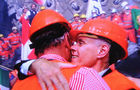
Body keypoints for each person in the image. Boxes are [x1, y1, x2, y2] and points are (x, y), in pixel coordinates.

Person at [12, 9, 110, 90]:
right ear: (67, 39)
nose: (73, 47)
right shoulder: (83, 76)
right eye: (73, 42)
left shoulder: (17, 83)